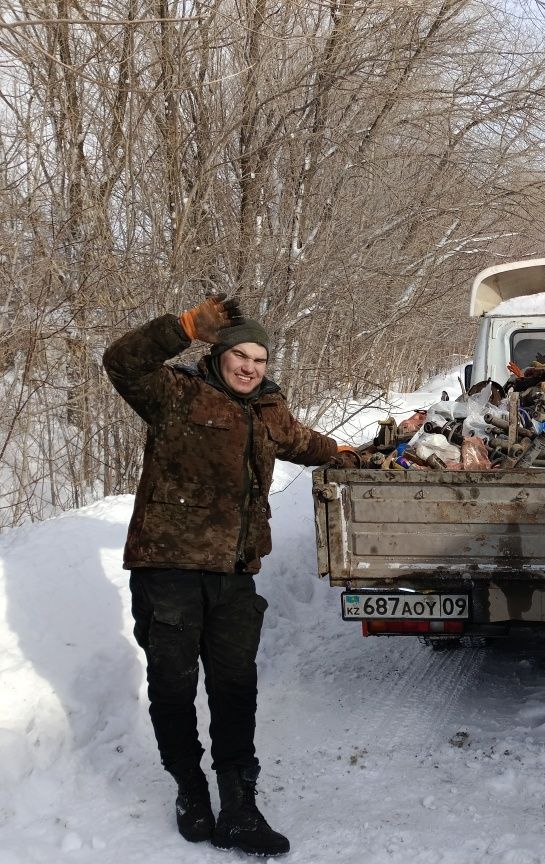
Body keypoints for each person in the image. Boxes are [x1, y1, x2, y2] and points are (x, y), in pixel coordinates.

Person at [103, 293, 358, 855]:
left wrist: (351, 452)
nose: (250, 367)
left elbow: (303, 442)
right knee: (172, 687)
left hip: (235, 575)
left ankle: (240, 803)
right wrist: (183, 327)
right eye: (240, 355)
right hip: (168, 570)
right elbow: (121, 361)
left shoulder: (269, 409)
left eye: (260, 359)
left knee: (235, 689)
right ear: (217, 354)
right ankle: (189, 788)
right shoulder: (175, 394)